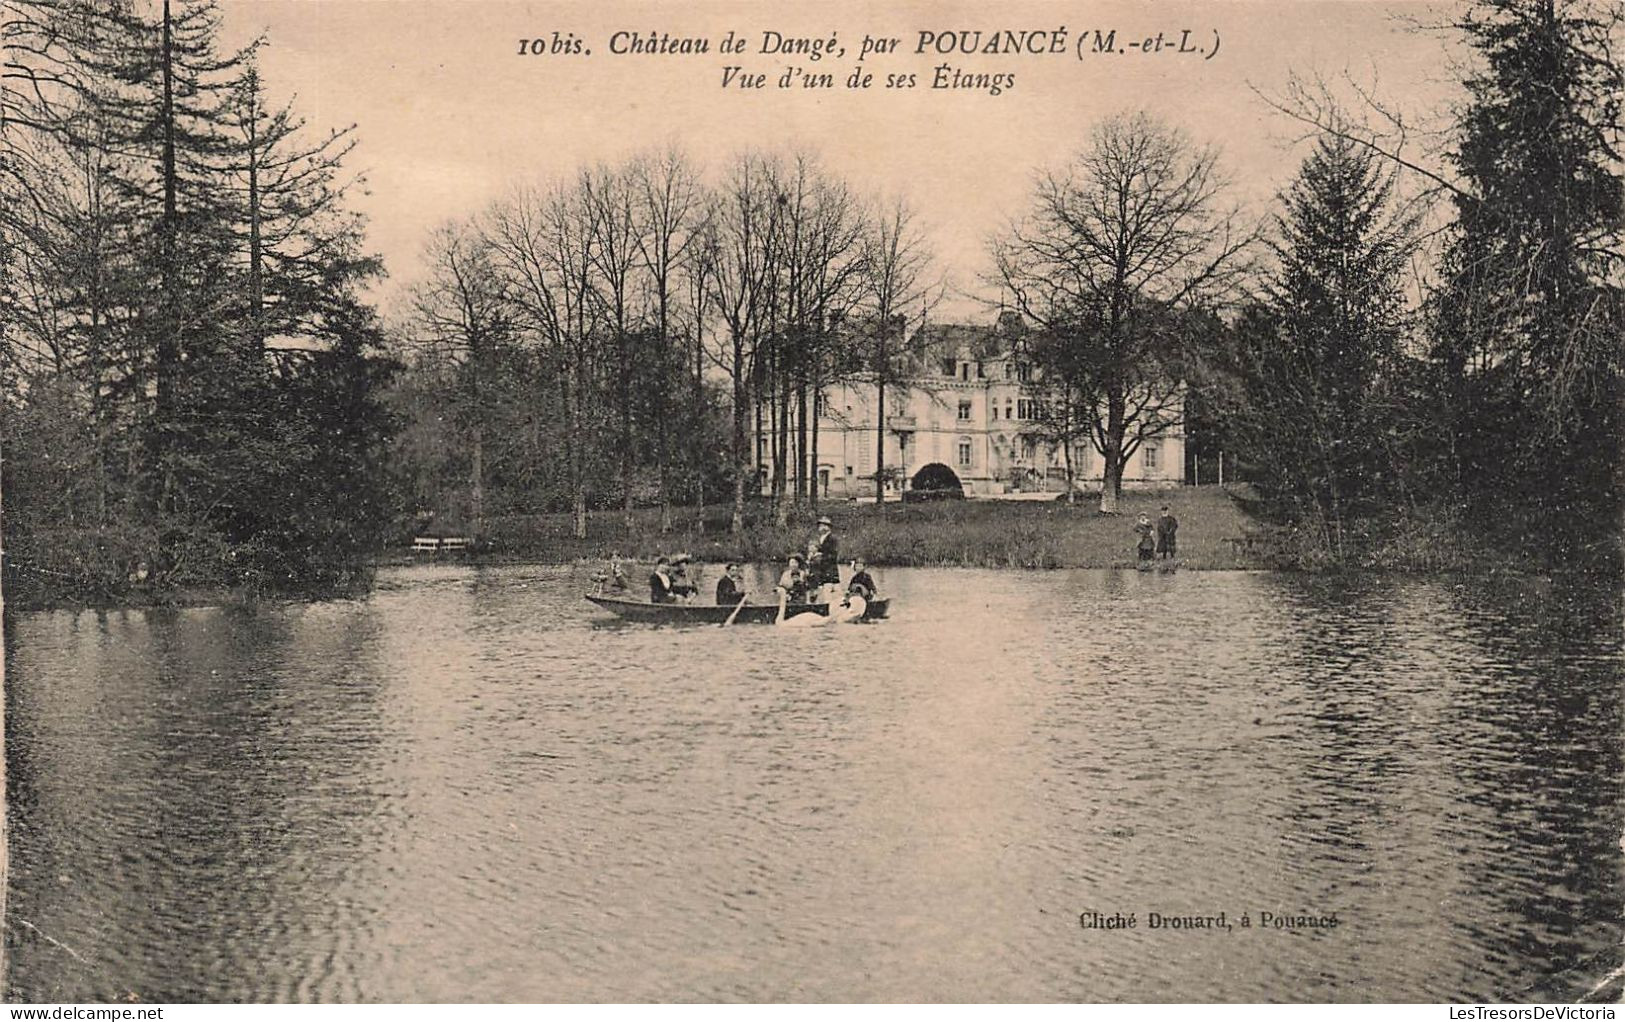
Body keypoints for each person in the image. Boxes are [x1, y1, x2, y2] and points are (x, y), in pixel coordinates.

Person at [807, 515, 840, 600]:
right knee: (823, 594)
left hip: (829, 572)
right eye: (820, 525)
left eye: (823, 525)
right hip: (822, 572)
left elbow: (833, 556)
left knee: (829, 595)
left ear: (828, 527)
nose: (820, 527)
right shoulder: (821, 539)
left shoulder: (832, 538)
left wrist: (820, 556)